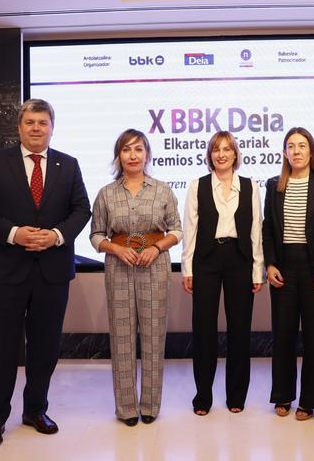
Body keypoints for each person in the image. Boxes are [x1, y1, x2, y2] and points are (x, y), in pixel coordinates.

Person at [0, 99, 91, 448]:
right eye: (30, 122)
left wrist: (56, 236)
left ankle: (36, 410)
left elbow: (81, 209)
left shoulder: (69, 165)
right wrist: (13, 233)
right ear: (19, 127)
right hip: (9, 270)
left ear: (52, 128)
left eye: (43, 122)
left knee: (45, 347)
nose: (36, 128)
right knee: (2, 348)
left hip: (52, 272)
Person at [89, 129, 182, 426]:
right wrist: (115, 249)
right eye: (127, 150)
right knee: (122, 339)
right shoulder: (106, 193)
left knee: (154, 336)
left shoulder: (162, 190)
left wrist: (156, 248)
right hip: (118, 268)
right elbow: (96, 235)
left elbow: (177, 230)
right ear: (119, 156)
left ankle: (151, 405)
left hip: (154, 266)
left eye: (139, 149)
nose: (133, 155)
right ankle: (127, 408)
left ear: (147, 154)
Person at [181, 131, 264, 416]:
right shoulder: (198, 186)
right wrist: (187, 268)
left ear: (235, 154)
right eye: (216, 149)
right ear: (210, 155)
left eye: (227, 149)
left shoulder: (250, 186)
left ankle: (236, 396)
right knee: (204, 330)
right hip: (206, 260)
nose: (221, 154)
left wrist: (257, 270)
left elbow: (256, 231)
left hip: (240, 260)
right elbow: (190, 229)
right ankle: (202, 397)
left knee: (239, 330)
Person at [262, 127, 314, 421]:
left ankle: (310, 400)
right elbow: (268, 229)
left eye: (302, 146)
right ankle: (282, 396)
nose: (296, 151)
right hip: (283, 269)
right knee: (283, 335)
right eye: (291, 146)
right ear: (285, 153)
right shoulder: (274, 184)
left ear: (311, 151)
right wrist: (270, 264)